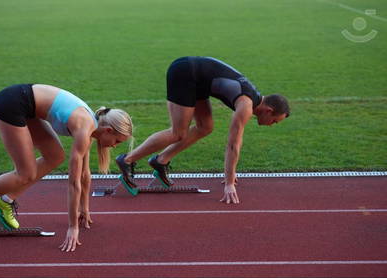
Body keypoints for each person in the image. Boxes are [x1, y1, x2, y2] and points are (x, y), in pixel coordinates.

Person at [0, 84, 133, 252]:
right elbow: (73, 182)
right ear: (108, 130)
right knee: (25, 173)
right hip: (12, 103)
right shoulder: (85, 128)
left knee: (55, 157)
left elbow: (85, 175)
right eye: (117, 141)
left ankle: (6, 200)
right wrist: (72, 227)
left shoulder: (91, 125)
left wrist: (84, 209)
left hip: (28, 106)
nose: (115, 145)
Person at [115, 56, 290, 203]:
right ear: (268, 111)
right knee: (178, 132)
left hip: (198, 80)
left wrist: (232, 172)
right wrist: (229, 182)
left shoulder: (253, 98)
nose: (271, 124)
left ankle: (161, 161)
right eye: (274, 121)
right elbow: (233, 145)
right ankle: (128, 160)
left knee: (205, 127)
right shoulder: (246, 106)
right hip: (185, 73)